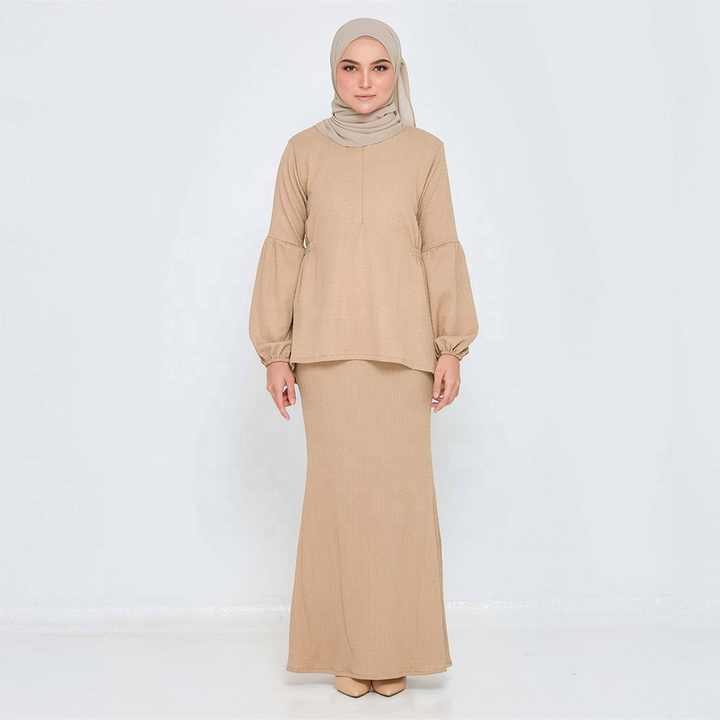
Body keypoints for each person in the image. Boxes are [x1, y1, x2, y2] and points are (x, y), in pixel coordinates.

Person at [248, 17, 479, 698]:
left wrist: (450, 345)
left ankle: (394, 648)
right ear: (333, 73)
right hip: (325, 352)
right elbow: (284, 249)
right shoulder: (302, 153)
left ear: (397, 73)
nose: (366, 82)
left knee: (399, 501)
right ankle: (346, 651)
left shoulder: (425, 153)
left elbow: (440, 247)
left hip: (404, 352)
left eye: (380, 67)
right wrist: (275, 353)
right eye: (351, 67)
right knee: (339, 501)